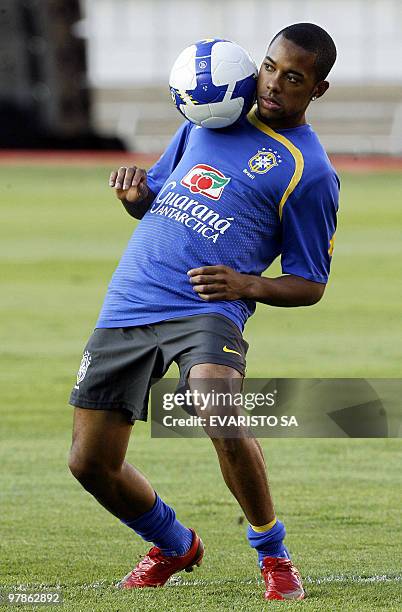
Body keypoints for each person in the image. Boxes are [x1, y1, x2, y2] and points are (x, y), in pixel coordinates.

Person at [68, 23, 339, 601]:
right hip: (133, 296)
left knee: (217, 408)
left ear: (317, 90)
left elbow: (311, 284)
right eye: (270, 66)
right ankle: (173, 544)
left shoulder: (308, 171)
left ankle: (274, 556)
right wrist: (136, 196)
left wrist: (247, 284)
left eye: (294, 77)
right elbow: (157, 203)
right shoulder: (208, 115)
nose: (273, 84)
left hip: (207, 307)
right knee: (89, 463)